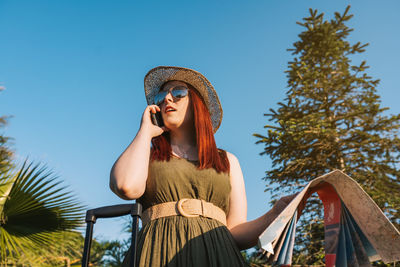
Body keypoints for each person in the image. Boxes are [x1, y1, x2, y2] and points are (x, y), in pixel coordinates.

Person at [110, 66, 294, 267]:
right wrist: (145, 131)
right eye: (161, 95)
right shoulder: (146, 153)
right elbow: (126, 186)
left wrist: (277, 212)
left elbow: (235, 232)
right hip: (157, 253)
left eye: (178, 92)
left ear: (198, 104)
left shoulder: (228, 161)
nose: (167, 99)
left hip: (220, 257)